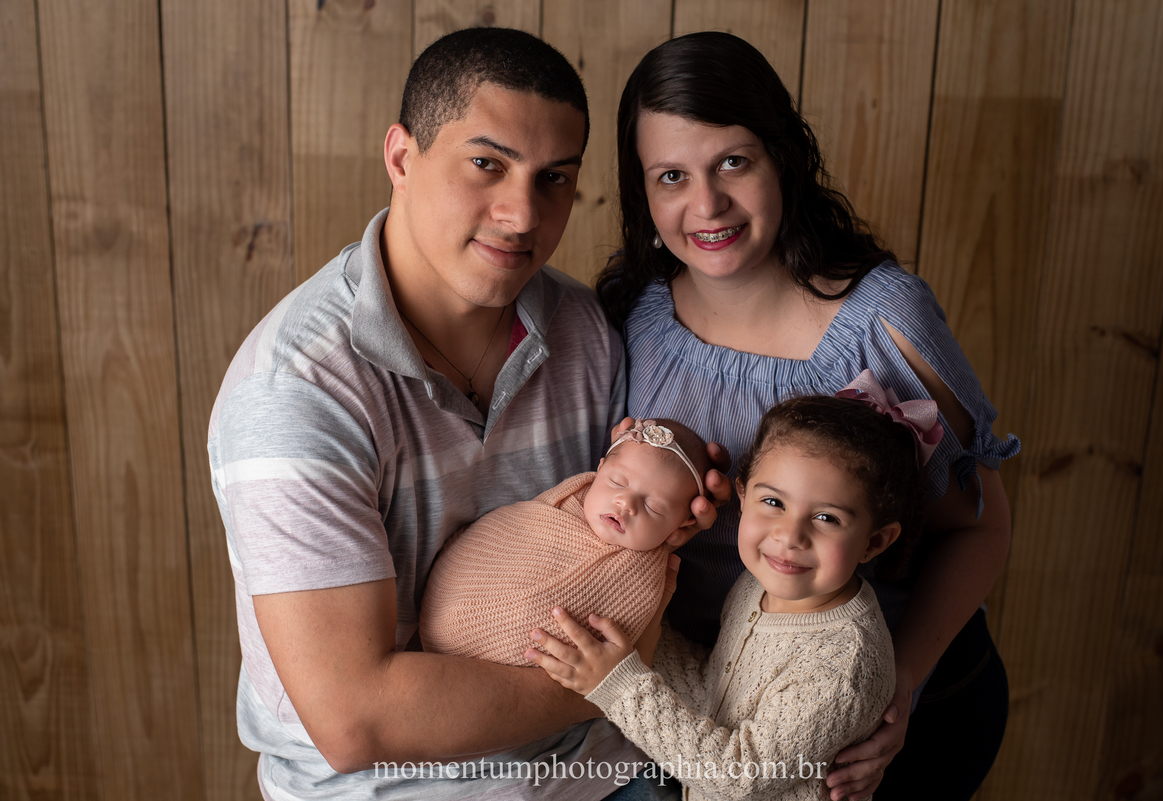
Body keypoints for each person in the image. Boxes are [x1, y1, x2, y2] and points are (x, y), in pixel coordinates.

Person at [208, 28, 723, 801]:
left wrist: (679, 513)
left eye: (554, 178)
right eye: (487, 164)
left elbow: (620, 543)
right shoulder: (294, 393)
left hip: (605, 771)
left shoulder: (585, 329)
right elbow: (356, 720)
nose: (521, 214)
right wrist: (625, 674)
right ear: (401, 158)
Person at [595, 32, 1021, 801]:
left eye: (733, 161)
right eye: (671, 176)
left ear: (783, 156)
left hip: (861, 736)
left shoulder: (881, 324)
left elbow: (979, 525)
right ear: (643, 192)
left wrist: (901, 693)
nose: (707, 204)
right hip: (698, 708)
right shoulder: (634, 308)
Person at [529, 383, 938, 800]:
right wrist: (630, 638)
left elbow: (736, 775)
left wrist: (618, 684)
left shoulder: (842, 666)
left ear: (874, 542)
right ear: (742, 495)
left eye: (826, 518)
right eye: (774, 503)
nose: (789, 536)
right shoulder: (758, 585)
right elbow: (717, 693)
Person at [421, 418, 711, 666]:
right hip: (454, 592)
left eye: (654, 507)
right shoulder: (568, 500)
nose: (626, 503)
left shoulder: (640, 577)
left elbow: (611, 646)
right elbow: (509, 535)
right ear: (599, 469)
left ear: (681, 525)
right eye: (617, 482)